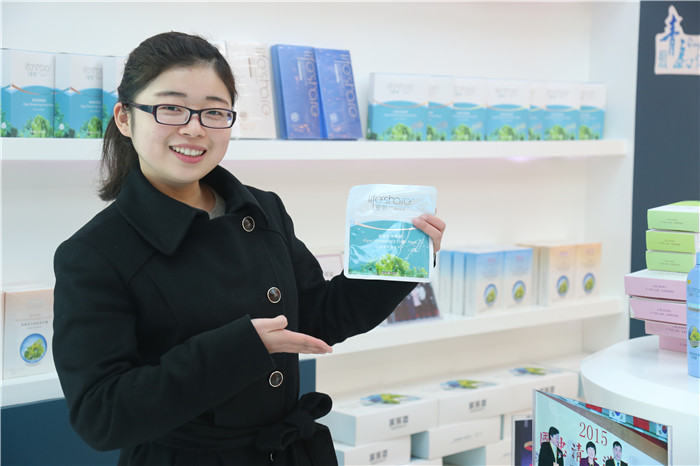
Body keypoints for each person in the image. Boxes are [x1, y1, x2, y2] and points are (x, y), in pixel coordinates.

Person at [52, 31, 446, 466]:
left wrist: (400, 260)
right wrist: (242, 348)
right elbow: (101, 415)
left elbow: (318, 319)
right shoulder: (93, 254)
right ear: (125, 118)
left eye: (213, 112)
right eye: (171, 108)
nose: (194, 128)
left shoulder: (261, 209)